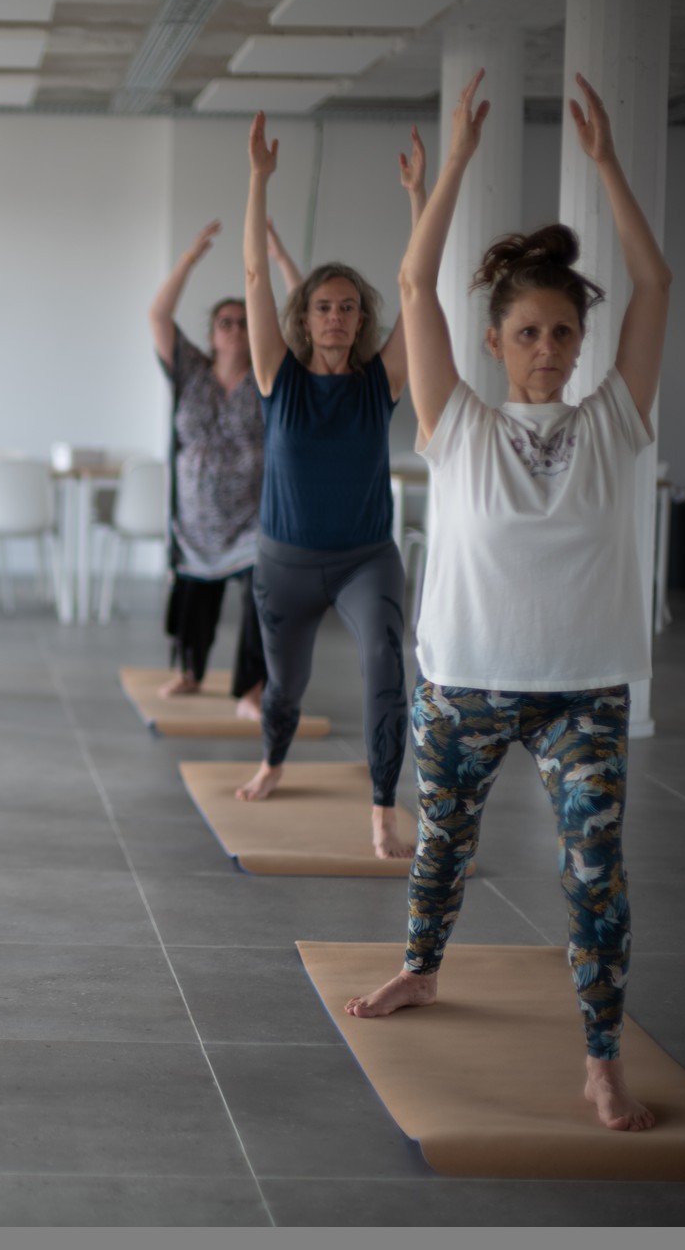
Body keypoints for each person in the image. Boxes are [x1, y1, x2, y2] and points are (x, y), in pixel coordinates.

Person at [344, 72, 671, 1133]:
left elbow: (655, 282)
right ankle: (420, 967)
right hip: (465, 683)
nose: (547, 350)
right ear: (494, 341)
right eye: (527, 333)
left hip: (584, 692)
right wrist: (453, 166)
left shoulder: (615, 421)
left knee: (595, 870)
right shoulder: (459, 425)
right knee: (443, 843)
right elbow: (414, 278)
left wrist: (608, 163)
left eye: (562, 333)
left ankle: (602, 1061)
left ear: (580, 342)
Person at [237, 110, 425, 860]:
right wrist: (258, 179)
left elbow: (418, 285)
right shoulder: (276, 377)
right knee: (285, 687)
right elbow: (255, 276)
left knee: (385, 660)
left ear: (361, 318)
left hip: (364, 559)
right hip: (284, 563)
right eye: (324, 307)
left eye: (349, 308)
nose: (337, 318)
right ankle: (272, 759)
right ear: (306, 318)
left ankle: (382, 808)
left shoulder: (381, 381)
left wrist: (418, 197)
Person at [147, 218, 302, 714]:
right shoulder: (189, 370)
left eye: (243, 322)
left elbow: (303, 320)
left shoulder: (268, 375)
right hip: (194, 521)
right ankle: (189, 673)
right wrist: (189, 259)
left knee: (261, 598)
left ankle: (251, 688)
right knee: (192, 601)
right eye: (225, 323)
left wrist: (280, 260)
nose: (235, 328)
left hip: (252, 519)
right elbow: (158, 314)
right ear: (212, 336)